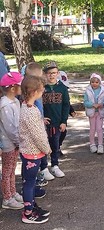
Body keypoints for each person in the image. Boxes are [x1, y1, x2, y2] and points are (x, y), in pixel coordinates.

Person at [19, 75, 51, 224]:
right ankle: (28, 213)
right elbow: (37, 135)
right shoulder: (30, 112)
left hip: (30, 151)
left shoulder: (27, 106)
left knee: (29, 181)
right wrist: (47, 149)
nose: (43, 90)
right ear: (34, 92)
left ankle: (31, 205)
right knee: (30, 183)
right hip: (32, 152)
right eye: (41, 88)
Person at [0, 72, 24, 210]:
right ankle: (7, 198)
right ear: (13, 88)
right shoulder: (5, 105)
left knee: (13, 168)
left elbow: (18, 123)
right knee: (7, 171)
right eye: (20, 85)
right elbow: (10, 128)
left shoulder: (15, 101)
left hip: (15, 142)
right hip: (9, 143)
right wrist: (18, 141)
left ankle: (13, 192)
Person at [42, 61, 70, 178]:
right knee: (43, 145)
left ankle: (54, 165)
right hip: (44, 123)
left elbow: (66, 105)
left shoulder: (62, 88)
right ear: (45, 74)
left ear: (58, 73)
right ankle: (43, 167)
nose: (52, 75)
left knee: (55, 144)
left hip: (57, 123)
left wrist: (64, 121)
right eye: (49, 73)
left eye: (54, 73)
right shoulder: (42, 88)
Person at [84, 73, 104, 154]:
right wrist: (92, 105)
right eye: (92, 82)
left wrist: (102, 104)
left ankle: (100, 145)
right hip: (92, 112)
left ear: (100, 82)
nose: (94, 84)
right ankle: (92, 144)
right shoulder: (87, 91)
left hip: (100, 112)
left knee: (99, 129)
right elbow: (85, 102)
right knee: (92, 129)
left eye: (96, 82)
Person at [58, 70, 76, 156]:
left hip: (62, 115)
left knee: (63, 132)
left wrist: (71, 111)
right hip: (53, 114)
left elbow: (67, 103)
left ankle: (58, 146)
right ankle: (54, 148)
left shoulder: (64, 92)